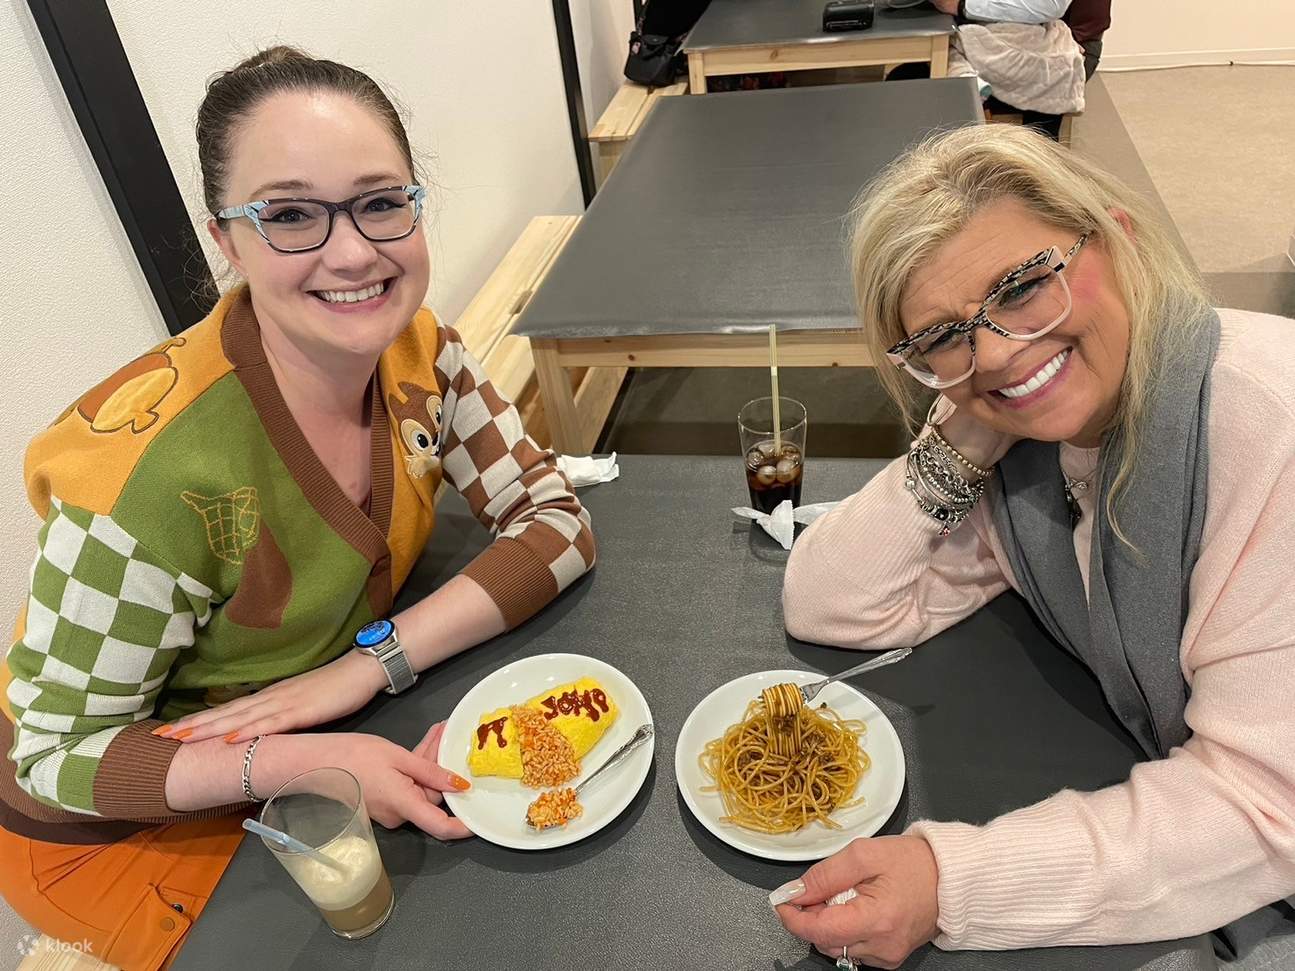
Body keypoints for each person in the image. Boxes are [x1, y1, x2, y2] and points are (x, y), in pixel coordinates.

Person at [0, 46, 595, 970]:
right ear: (225, 241)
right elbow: (54, 760)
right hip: (118, 823)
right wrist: (294, 762)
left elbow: (555, 518)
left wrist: (370, 668)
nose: (354, 251)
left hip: (326, 721)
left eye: (381, 200)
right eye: (289, 215)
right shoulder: (142, 482)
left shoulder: (422, 351)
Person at [774, 124, 1295, 968]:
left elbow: (1264, 806)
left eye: (1022, 285)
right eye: (943, 337)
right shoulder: (1031, 453)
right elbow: (834, 599)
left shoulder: (1269, 431)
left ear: (1118, 240)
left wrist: (953, 882)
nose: (995, 349)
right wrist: (969, 420)